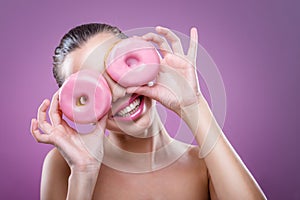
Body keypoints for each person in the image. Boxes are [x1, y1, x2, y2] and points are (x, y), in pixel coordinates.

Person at [30, 23, 266, 200]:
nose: (119, 93)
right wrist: (83, 174)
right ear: (75, 106)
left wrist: (193, 105)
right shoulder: (65, 166)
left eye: (117, 68)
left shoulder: (205, 165)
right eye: (92, 88)